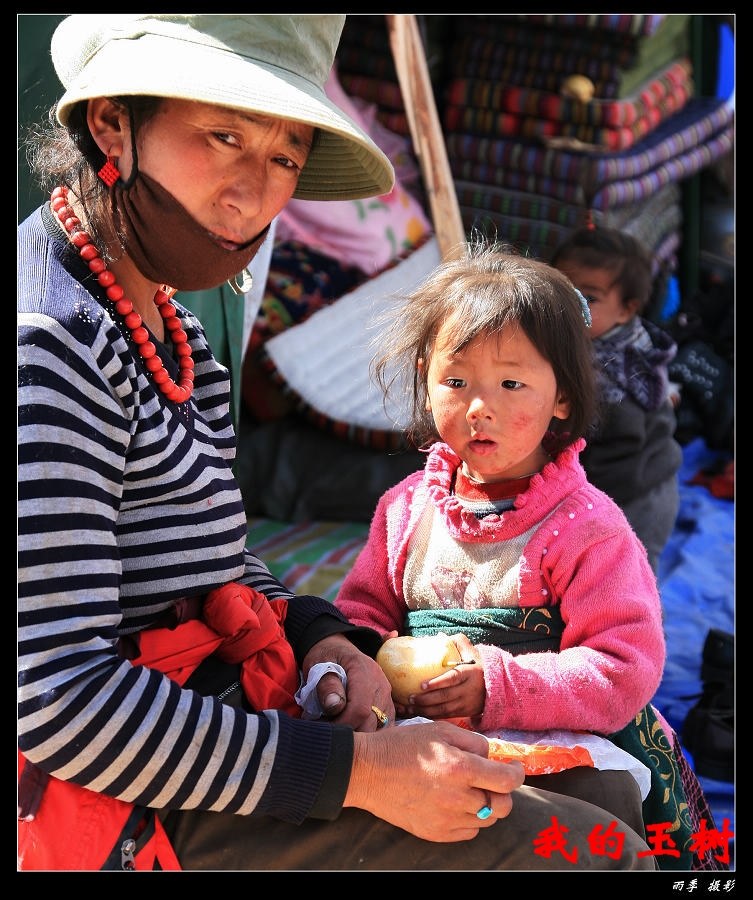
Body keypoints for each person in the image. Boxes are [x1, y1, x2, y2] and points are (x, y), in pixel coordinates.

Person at [18, 14, 659, 872]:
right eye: (222, 136)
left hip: (229, 727)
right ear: (111, 124)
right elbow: (58, 703)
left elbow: (212, 565)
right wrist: (357, 774)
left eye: (283, 157)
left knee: (603, 790)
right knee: (589, 853)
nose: (252, 191)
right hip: (116, 806)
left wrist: (329, 642)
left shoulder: (178, 341)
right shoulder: (49, 343)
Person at [334, 241, 721, 870]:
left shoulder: (587, 528)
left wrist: (494, 685)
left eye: (512, 382)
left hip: (562, 741)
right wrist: (358, 671)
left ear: (562, 399)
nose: (480, 406)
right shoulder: (406, 511)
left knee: (592, 814)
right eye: (455, 382)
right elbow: (362, 616)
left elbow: (622, 669)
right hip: (431, 742)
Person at [549, 225, 683, 574]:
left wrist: (572, 503)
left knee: (628, 575)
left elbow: (614, 458)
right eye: (563, 290)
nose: (572, 305)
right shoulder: (612, 337)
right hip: (637, 478)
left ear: (626, 309)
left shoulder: (608, 378)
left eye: (589, 298)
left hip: (638, 497)